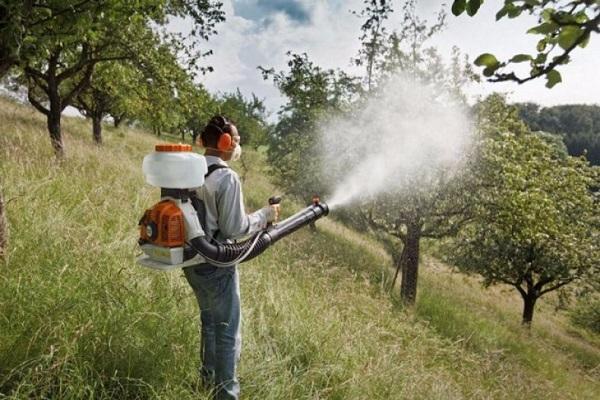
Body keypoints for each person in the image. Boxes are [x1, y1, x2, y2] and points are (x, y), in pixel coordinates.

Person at [184, 115, 279, 400]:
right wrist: (265, 215)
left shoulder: (190, 170)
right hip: (217, 264)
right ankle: (226, 395)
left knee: (209, 323)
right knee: (227, 331)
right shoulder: (226, 177)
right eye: (236, 139)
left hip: (192, 261)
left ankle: (207, 380)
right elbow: (234, 228)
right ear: (225, 142)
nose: (238, 144)